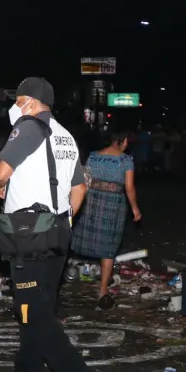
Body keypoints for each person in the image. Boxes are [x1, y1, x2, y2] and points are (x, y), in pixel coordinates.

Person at [0, 77, 96, 372]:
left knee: (31, 309)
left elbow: (1, 172)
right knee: (39, 305)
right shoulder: (66, 136)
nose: (16, 107)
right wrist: (63, 218)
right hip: (58, 230)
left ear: (33, 104)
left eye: (20, 100)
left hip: (29, 233)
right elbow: (79, 188)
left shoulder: (29, 127)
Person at [71, 130, 142, 309]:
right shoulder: (125, 160)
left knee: (80, 238)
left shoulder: (94, 156)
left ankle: (64, 274)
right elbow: (130, 188)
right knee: (108, 247)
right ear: (124, 140)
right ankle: (103, 290)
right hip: (114, 203)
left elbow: (84, 180)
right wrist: (135, 209)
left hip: (91, 200)